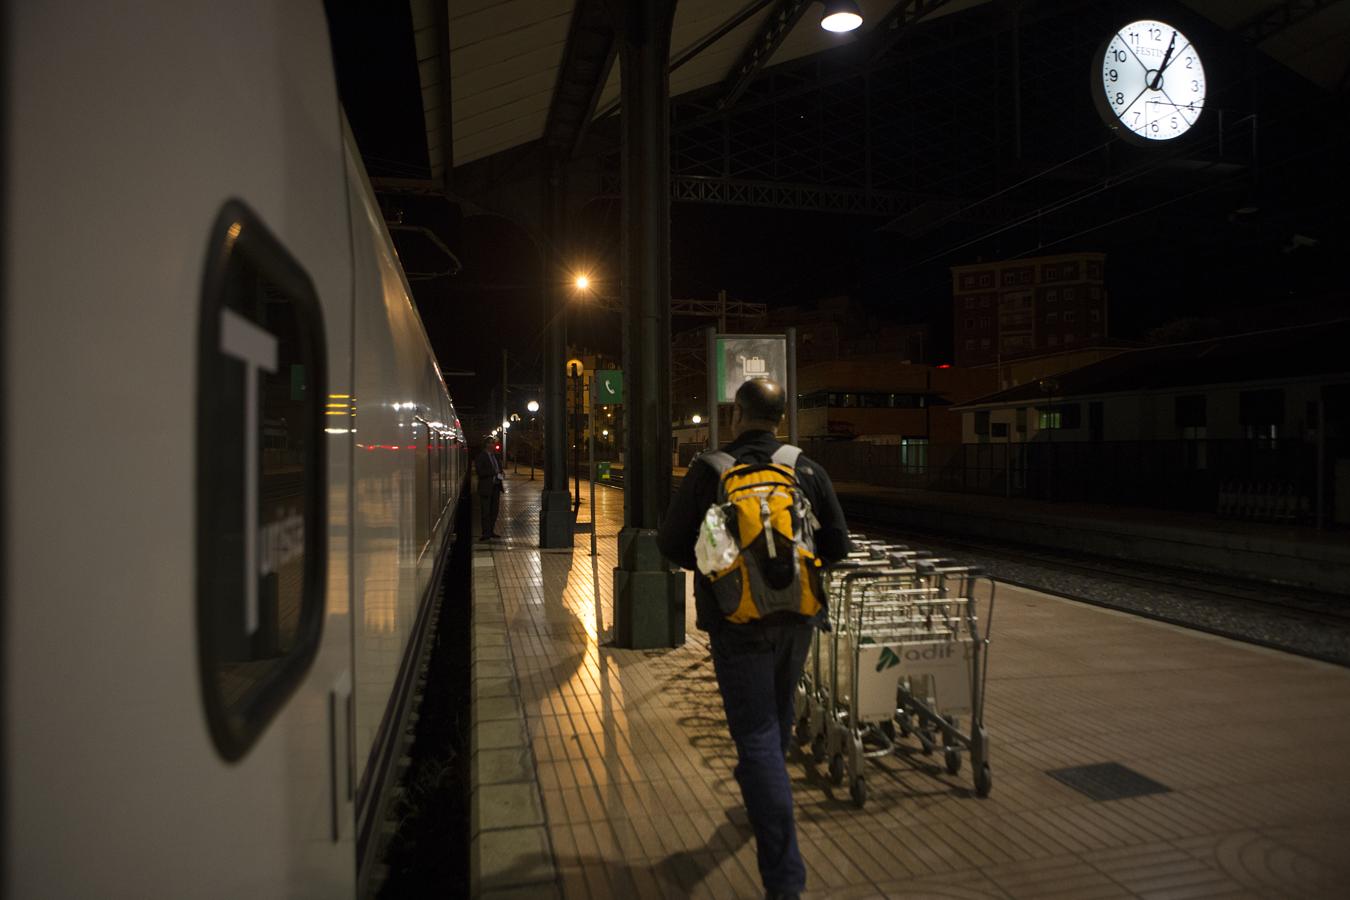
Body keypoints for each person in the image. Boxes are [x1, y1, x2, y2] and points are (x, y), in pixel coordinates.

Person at [657, 378, 850, 900]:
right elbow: (838, 544)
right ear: (781, 418)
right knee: (778, 720)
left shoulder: (710, 470)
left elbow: (671, 544)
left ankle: (785, 880)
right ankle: (763, 798)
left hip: (735, 624)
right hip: (797, 621)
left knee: (758, 734)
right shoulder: (804, 468)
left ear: (737, 415)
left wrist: (722, 567)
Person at [474, 441, 505, 540]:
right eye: (492, 444)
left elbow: (499, 469)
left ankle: (491, 531)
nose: (494, 446)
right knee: (486, 511)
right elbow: (480, 472)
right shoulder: (481, 457)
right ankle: (485, 533)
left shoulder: (495, 456)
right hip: (486, 488)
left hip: (496, 486)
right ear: (487, 445)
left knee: (494, 511)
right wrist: (493, 472)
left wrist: (501, 473)